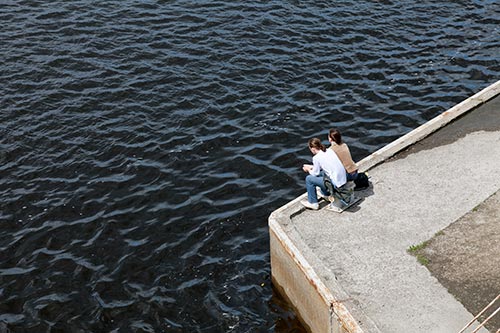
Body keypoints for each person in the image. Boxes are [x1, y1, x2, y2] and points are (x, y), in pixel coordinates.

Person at [301, 137, 347, 210]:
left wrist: (308, 169)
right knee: (322, 173)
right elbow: (326, 166)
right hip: (343, 179)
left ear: (312, 149)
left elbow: (315, 174)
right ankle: (326, 194)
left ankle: (313, 203)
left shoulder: (316, 158)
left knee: (309, 179)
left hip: (335, 184)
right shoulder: (329, 150)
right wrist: (311, 167)